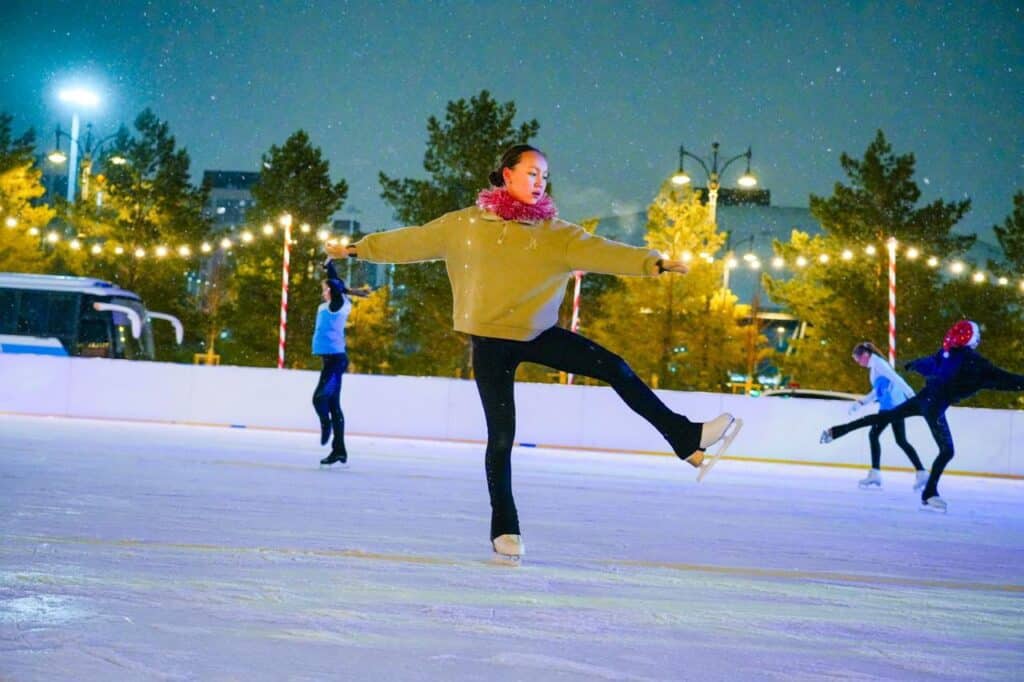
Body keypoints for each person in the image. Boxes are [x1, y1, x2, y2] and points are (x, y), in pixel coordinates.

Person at [325, 144, 738, 561]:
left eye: (544, 176)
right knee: (502, 437)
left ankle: (686, 437)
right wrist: (359, 249)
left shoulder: (555, 234)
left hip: (538, 334)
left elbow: (603, 250)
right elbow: (413, 240)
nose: (540, 182)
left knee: (615, 367)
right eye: (531, 173)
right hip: (489, 342)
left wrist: (653, 262)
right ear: (507, 174)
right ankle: (504, 527)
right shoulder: (465, 225)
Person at [821, 321, 1024, 512]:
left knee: (884, 418)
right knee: (946, 451)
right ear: (971, 339)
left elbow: (929, 363)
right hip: (934, 406)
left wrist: (913, 365)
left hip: (923, 399)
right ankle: (929, 492)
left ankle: (835, 431)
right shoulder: (975, 363)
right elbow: (1004, 378)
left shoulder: (946, 353)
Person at [846, 341, 927, 490]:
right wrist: (861, 403)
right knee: (900, 440)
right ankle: (921, 472)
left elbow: (896, 378)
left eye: (858, 359)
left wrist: (912, 396)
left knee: (874, 435)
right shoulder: (875, 366)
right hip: (893, 405)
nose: (858, 363)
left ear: (865, 355)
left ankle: (876, 473)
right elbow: (877, 391)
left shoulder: (878, 364)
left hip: (891, 407)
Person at [312, 258, 367, 466]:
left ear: (332, 291)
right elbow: (335, 281)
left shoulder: (338, 305)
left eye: (325, 289)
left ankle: (326, 425)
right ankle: (339, 451)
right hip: (330, 361)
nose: (323, 292)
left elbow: (335, 284)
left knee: (319, 399)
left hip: (335, 361)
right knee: (333, 405)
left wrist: (331, 272)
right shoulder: (335, 302)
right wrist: (329, 264)